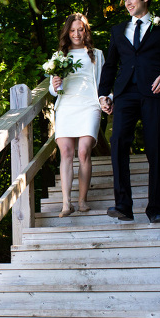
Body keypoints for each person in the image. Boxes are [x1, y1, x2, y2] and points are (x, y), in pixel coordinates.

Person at [98, 0, 160, 223]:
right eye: (125, 0)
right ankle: (123, 205)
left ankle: (156, 208)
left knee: (155, 147)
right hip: (125, 94)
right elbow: (111, 65)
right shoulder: (117, 30)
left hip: (155, 91)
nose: (128, 3)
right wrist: (104, 94)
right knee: (118, 143)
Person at [49, 13, 105, 217]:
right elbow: (53, 90)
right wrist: (55, 85)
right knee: (65, 151)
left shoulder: (96, 54)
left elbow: (103, 82)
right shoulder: (59, 56)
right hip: (67, 105)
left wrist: (105, 99)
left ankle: (82, 200)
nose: (76, 34)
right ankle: (66, 203)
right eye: (72, 30)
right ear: (67, 32)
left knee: (83, 151)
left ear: (86, 31)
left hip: (89, 104)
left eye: (80, 29)